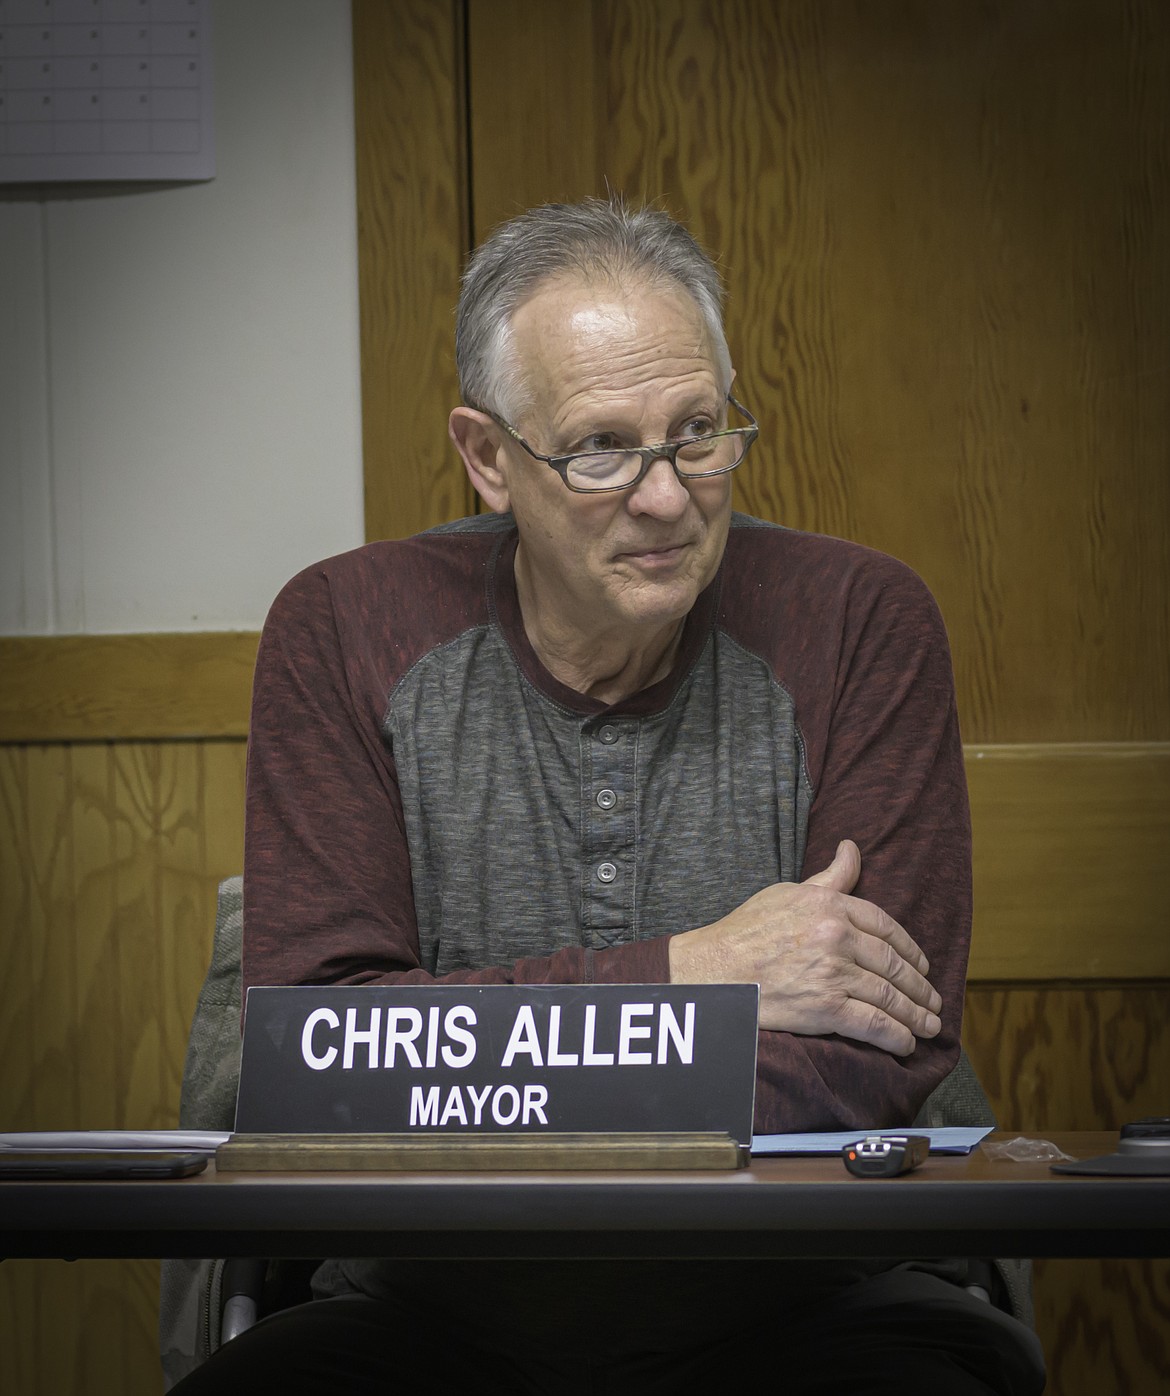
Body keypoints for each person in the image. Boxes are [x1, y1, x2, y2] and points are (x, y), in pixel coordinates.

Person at [173, 198, 1045, 1394]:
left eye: (698, 431)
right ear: (489, 458)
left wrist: (471, 1051)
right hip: (430, 1305)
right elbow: (325, 1063)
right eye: (600, 448)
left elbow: (872, 1061)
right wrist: (700, 975)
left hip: (806, 1297)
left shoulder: (862, 623)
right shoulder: (344, 628)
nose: (668, 496)